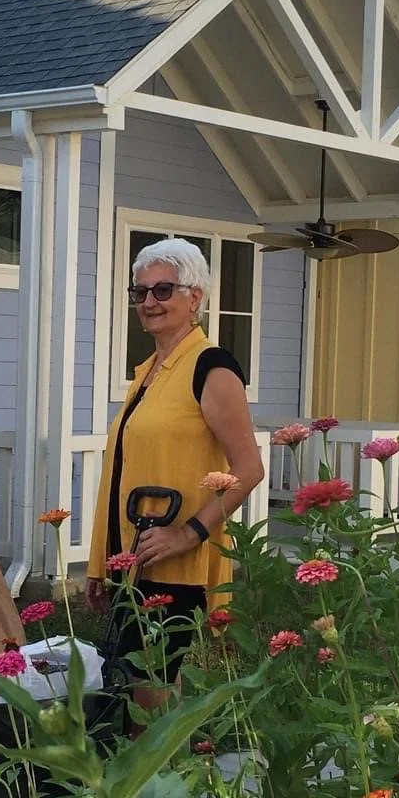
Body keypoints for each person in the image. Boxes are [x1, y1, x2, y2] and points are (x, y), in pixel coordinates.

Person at [85, 237, 264, 694]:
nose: (149, 301)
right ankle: (176, 767)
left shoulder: (212, 367)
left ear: (195, 297)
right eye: (140, 292)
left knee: (147, 696)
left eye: (164, 290)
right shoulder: (148, 371)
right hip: (135, 561)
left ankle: (164, 767)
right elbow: (122, 469)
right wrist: (102, 565)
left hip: (174, 565)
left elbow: (248, 469)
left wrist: (188, 533)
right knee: (143, 691)